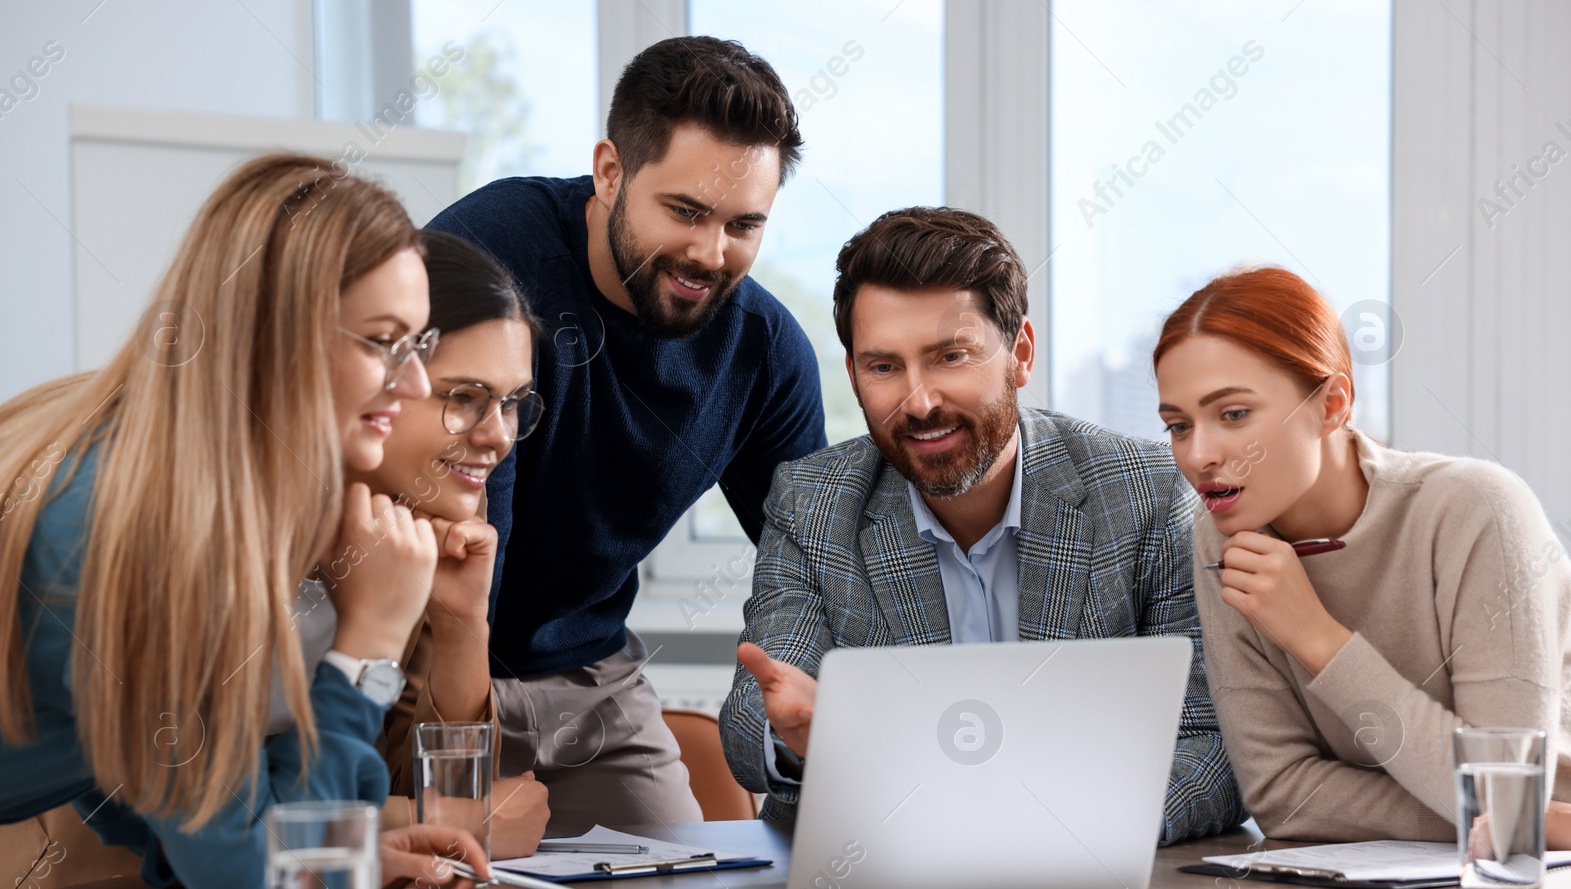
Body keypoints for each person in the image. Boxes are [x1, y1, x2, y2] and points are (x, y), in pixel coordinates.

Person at [0, 154, 489, 889]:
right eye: (385, 341)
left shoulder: (173, 481)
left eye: (419, 343)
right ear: (273, 339)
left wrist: (338, 854)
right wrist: (369, 646)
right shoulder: (133, 528)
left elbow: (176, 809)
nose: (414, 384)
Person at [720, 207, 1246, 845]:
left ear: (1020, 353)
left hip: (1084, 870)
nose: (919, 402)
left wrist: (1061, 824)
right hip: (884, 877)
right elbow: (757, 715)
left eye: (950, 356)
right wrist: (802, 737)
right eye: (884, 366)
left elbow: (1212, 743)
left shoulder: (1148, 495)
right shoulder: (811, 502)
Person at [427, 36, 826, 834]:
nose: (710, 254)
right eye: (685, 212)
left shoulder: (765, 351)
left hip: (591, 675)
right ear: (610, 171)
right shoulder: (485, 265)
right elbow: (462, 562)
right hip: (424, 661)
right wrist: (464, 769)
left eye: (743, 224)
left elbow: (821, 558)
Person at [1152, 265, 1571, 841]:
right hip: (1461, 864)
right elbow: (1280, 796)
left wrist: (1317, 637)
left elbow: (1507, 792)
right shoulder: (1222, 534)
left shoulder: (1478, 511)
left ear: (1331, 404)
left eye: (1233, 414)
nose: (1199, 454)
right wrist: (1503, 821)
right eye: (1178, 426)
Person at [354, 230, 551, 857]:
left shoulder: (433, 510)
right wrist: (462, 824)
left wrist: (463, 622)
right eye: (463, 397)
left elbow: (419, 782)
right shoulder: (259, 528)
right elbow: (226, 810)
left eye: (513, 403)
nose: (497, 437)